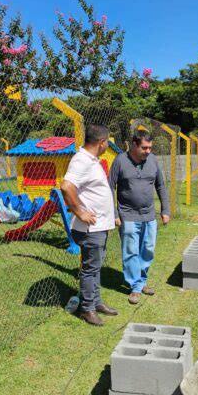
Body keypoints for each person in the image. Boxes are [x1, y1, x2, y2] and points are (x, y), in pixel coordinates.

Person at [61, 123, 118, 326]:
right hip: (90, 228)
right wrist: (80, 211)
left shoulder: (91, 160)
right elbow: (66, 187)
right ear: (102, 142)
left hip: (99, 226)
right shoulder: (81, 161)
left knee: (95, 267)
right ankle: (87, 309)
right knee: (90, 269)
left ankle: (96, 302)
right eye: (107, 142)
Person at [109, 130, 170, 304]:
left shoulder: (153, 160)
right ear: (134, 145)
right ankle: (135, 286)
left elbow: (160, 185)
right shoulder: (120, 161)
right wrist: (114, 213)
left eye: (150, 147)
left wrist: (165, 210)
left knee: (147, 249)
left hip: (149, 215)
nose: (148, 151)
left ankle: (142, 280)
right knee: (130, 252)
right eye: (144, 148)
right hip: (127, 215)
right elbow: (109, 187)